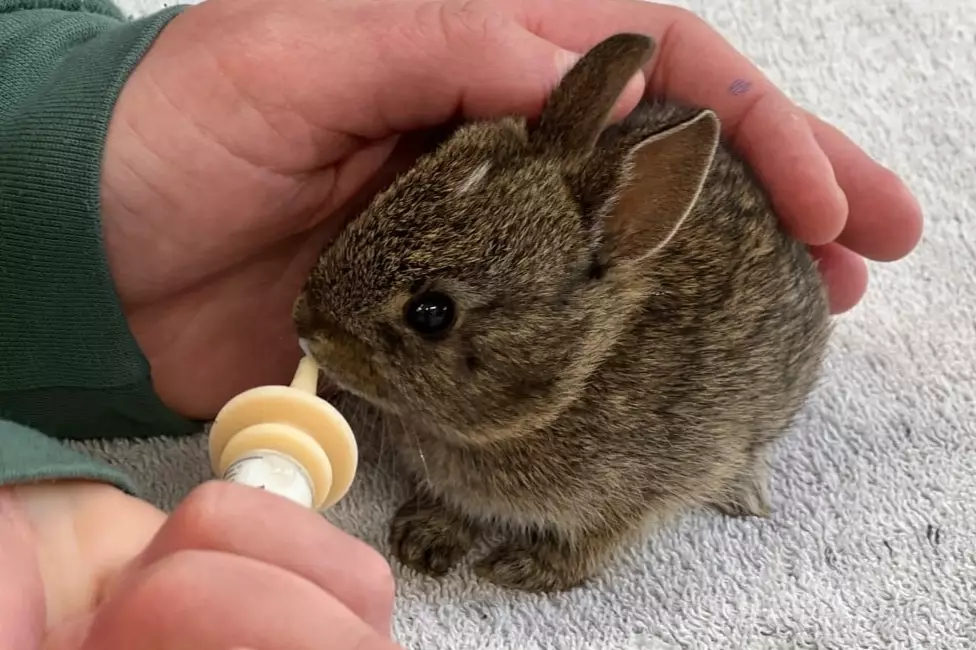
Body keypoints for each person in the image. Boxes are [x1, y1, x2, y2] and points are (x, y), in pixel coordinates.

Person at [0, 0, 923, 647]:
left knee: (653, 479)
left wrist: (576, 547)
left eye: (430, 316)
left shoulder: (629, 412)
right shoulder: (429, 365)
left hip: (703, 385)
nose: (311, 330)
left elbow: (650, 466)